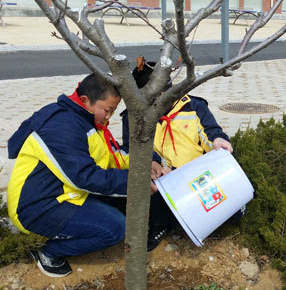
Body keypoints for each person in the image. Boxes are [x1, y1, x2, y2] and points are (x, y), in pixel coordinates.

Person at [6, 73, 166, 277]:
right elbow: (84, 177)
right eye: (107, 110)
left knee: (122, 203)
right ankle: (49, 251)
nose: (109, 117)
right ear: (85, 100)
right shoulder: (61, 127)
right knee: (115, 228)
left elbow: (113, 155)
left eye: (113, 111)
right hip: (38, 207)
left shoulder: (86, 120)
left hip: (69, 194)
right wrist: (137, 182)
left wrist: (148, 161)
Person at [121, 58, 241, 250]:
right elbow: (130, 148)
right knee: (154, 198)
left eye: (166, 93)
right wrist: (153, 163)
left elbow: (211, 132)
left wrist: (218, 140)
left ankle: (194, 218)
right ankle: (162, 225)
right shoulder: (133, 117)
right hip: (166, 178)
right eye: (154, 96)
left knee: (233, 213)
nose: (162, 99)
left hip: (198, 176)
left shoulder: (194, 107)